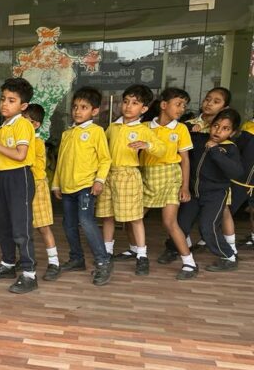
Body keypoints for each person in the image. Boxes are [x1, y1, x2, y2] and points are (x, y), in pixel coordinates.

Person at [96, 84, 166, 275]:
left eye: (135, 103)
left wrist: (147, 144)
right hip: (109, 174)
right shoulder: (113, 126)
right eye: (126, 101)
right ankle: (107, 251)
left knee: (135, 217)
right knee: (107, 215)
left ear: (143, 109)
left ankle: (142, 255)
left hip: (128, 175)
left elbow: (162, 149)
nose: (128, 106)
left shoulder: (143, 129)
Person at [0, 77, 37, 294]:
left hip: (19, 177)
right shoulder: (1, 128)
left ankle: (29, 273)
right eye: (3, 99)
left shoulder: (22, 124)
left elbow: (21, 155)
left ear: (22, 106)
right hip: (3, 177)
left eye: (11, 100)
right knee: (1, 224)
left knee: (21, 227)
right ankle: (8, 264)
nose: (4, 104)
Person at [51, 87, 113, 285]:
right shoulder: (67, 133)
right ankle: (77, 258)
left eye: (84, 107)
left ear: (94, 111)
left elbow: (105, 159)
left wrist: (99, 180)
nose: (78, 111)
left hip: (86, 186)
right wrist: (56, 184)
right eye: (75, 107)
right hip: (67, 188)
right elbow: (61, 161)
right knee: (68, 225)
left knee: (86, 222)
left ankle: (103, 262)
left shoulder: (96, 132)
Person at [138, 88, 197, 279]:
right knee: (135, 217)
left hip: (171, 176)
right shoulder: (145, 127)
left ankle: (189, 262)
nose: (182, 109)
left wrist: (185, 186)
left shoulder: (180, 129)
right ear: (164, 105)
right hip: (148, 177)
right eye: (178, 104)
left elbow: (185, 160)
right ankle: (136, 251)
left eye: (184, 106)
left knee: (169, 221)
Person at [177, 108, 243, 272]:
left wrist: (215, 151)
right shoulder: (199, 139)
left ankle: (229, 256)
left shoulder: (230, 149)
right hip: (193, 193)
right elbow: (178, 129)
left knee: (208, 227)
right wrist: (192, 128)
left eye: (225, 128)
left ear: (233, 132)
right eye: (216, 126)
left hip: (215, 195)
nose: (218, 131)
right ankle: (177, 250)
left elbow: (236, 172)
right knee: (180, 225)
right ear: (210, 125)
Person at [182, 87, 233, 253]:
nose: (209, 104)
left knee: (222, 211)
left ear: (224, 108)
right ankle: (184, 246)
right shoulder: (190, 124)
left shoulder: (224, 129)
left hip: (215, 181)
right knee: (185, 214)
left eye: (216, 102)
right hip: (193, 178)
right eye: (207, 99)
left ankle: (230, 248)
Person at [22, 104, 60, 281]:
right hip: (23, 184)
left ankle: (54, 262)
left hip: (37, 185)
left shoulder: (37, 142)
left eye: (25, 122)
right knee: (23, 226)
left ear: (35, 124)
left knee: (43, 226)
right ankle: (26, 258)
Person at [233, 114, 254, 249]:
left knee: (227, 210)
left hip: (244, 180)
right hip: (242, 179)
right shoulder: (249, 130)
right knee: (227, 210)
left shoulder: (248, 130)